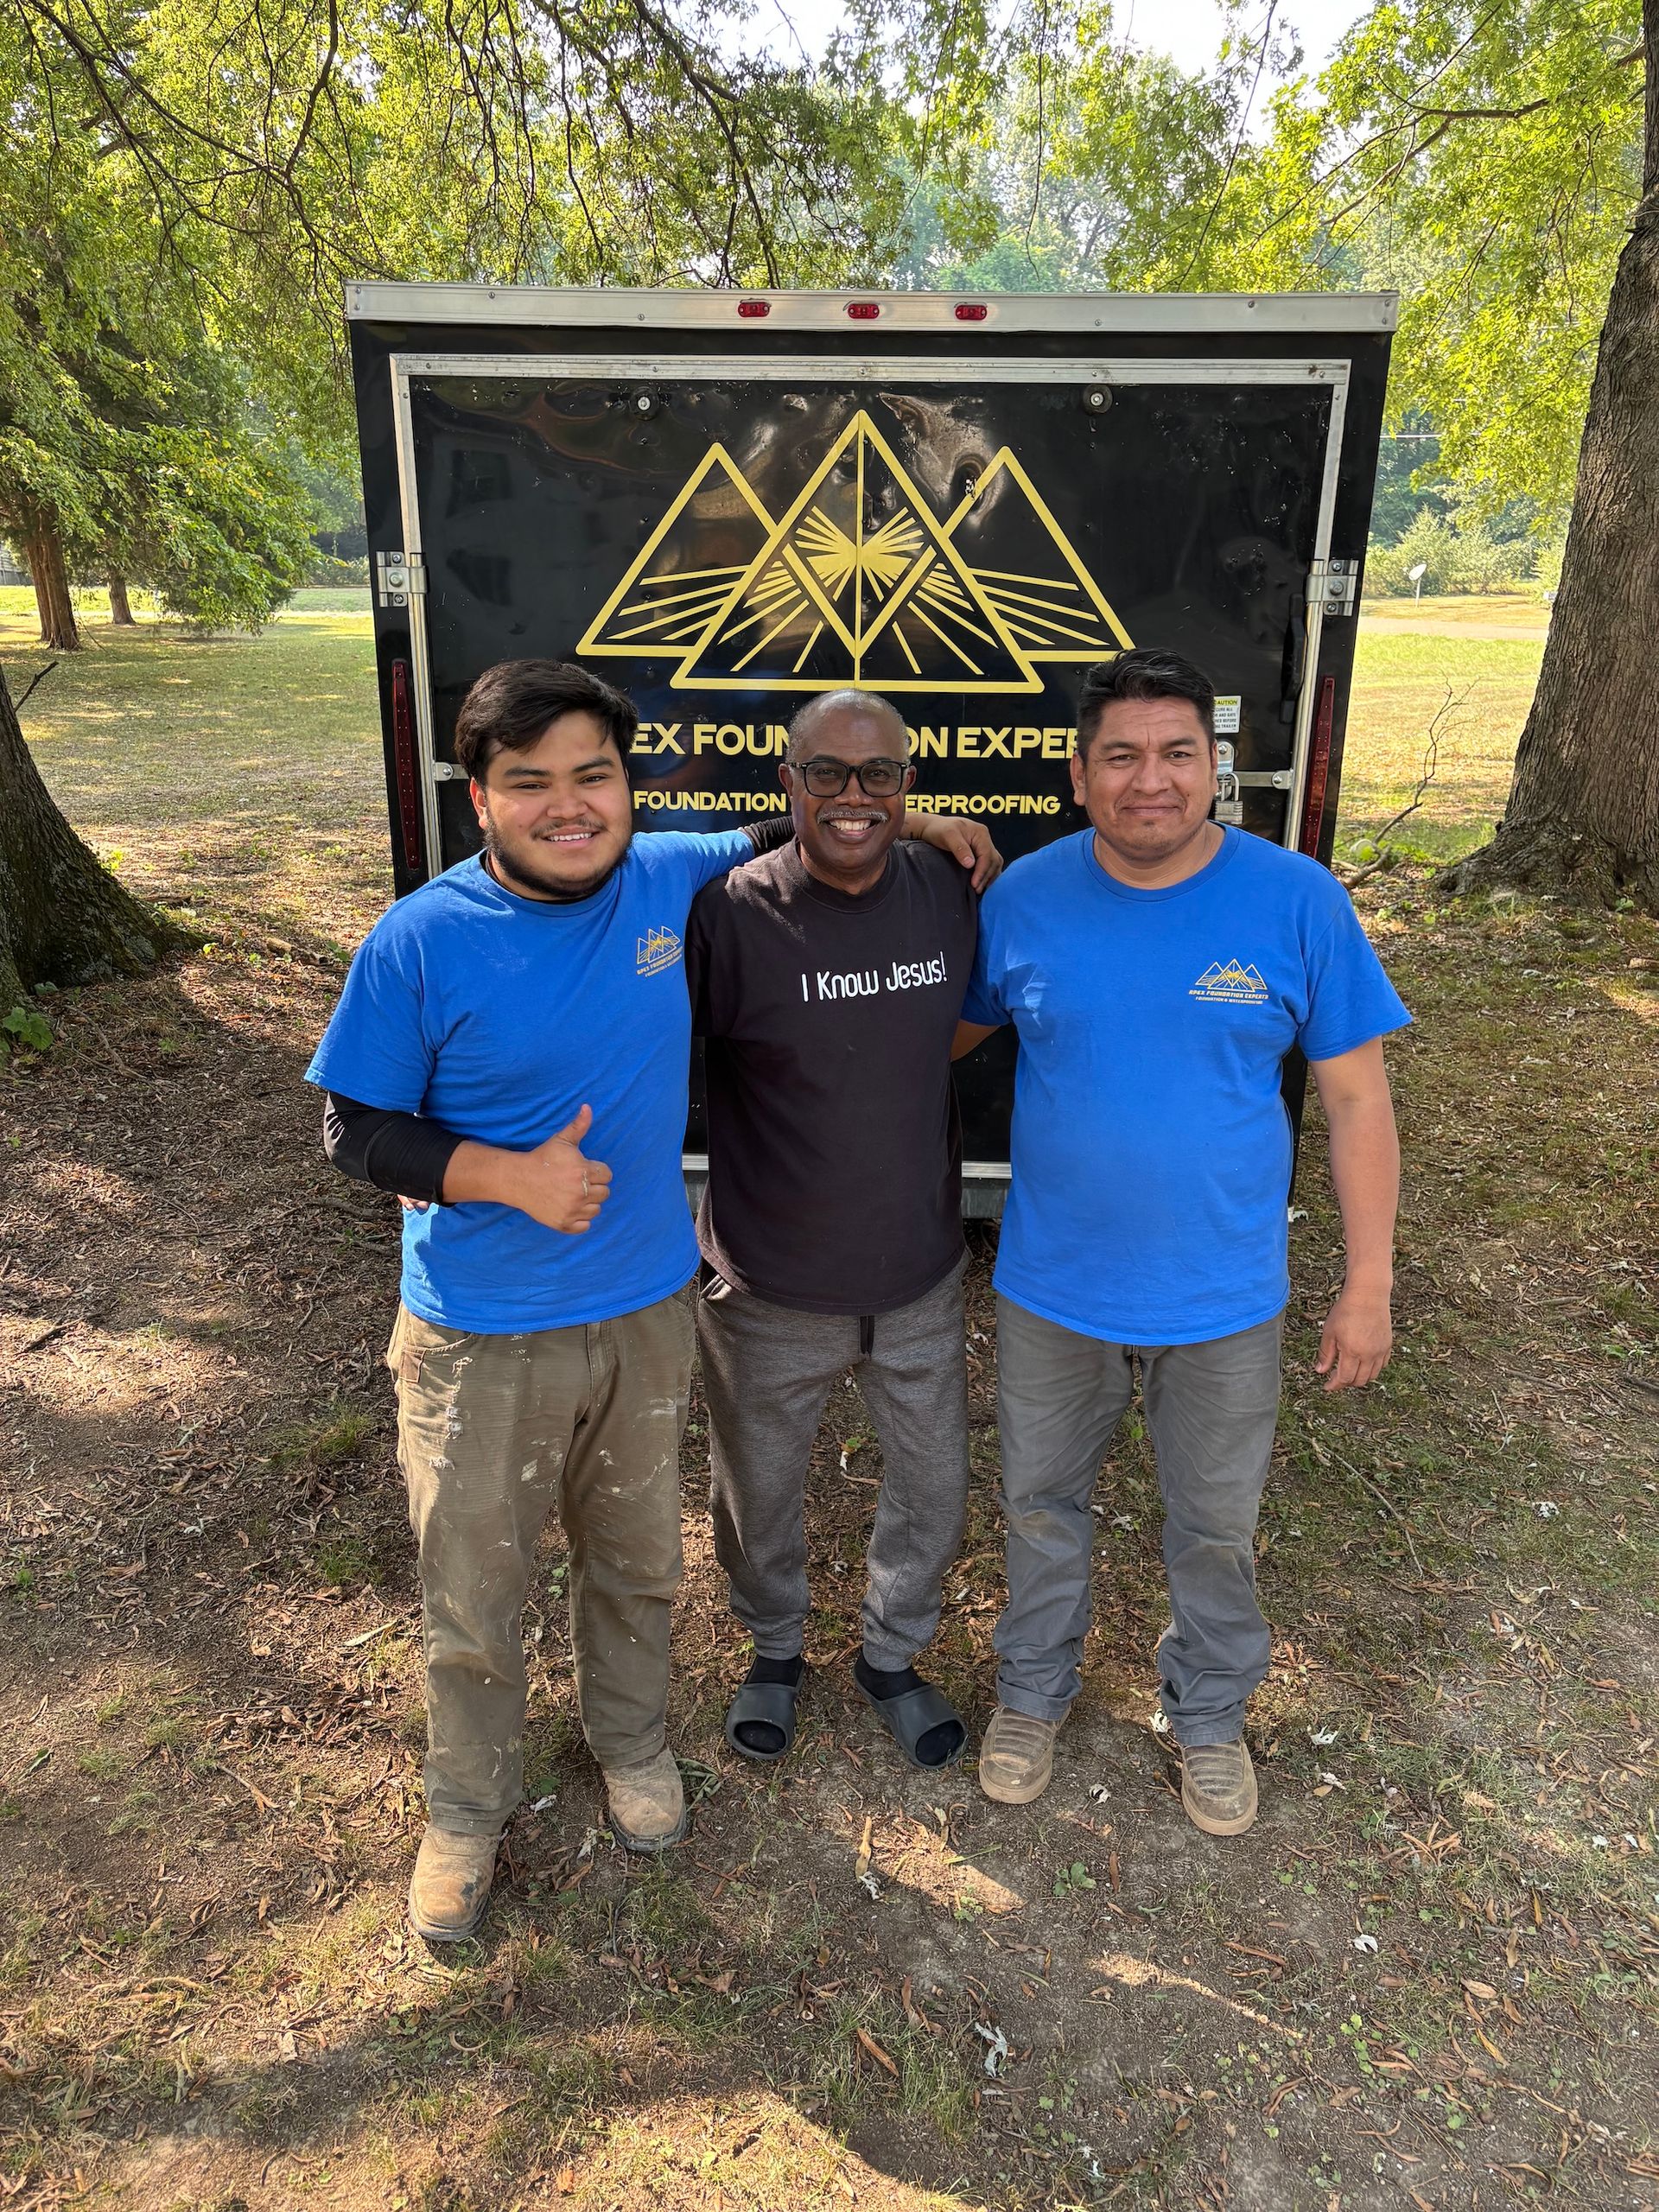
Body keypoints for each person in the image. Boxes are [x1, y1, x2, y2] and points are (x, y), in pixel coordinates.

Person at [306, 659, 996, 1942]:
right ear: (480, 800)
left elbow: (814, 822)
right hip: (480, 1330)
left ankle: (630, 1748)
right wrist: (499, 1174)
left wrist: (932, 821)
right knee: (475, 1588)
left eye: (593, 778)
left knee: (632, 1571)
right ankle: (465, 1810)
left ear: (629, 789)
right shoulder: (419, 939)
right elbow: (352, 1127)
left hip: (643, 1311)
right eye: (532, 786)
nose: (568, 808)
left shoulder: (670, 878)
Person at [955, 646, 1408, 1836]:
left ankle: (1208, 1715)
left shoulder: (1296, 899)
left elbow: (1358, 1100)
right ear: (1077, 772)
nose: (1148, 781)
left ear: (1215, 765)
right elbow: (937, 1037)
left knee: (1214, 1525)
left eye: (1176, 754)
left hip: (1224, 1290)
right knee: (1042, 1506)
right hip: (1053, 1285)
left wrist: (1369, 1285)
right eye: (1121, 756)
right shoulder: (1025, 899)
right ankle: (1032, 1693)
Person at [687, 690, 989, 1773]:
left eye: (880, 776)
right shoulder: (725, 909)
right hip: (767, 1283)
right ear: (786, 783)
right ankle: (774, 1646)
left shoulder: (957, 891)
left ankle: (890, 1654)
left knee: (936, 1488)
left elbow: (961, 1027)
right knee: (755, 1491)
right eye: (826, 773)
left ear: (909, 783)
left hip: (916, 1275)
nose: (854, 797)